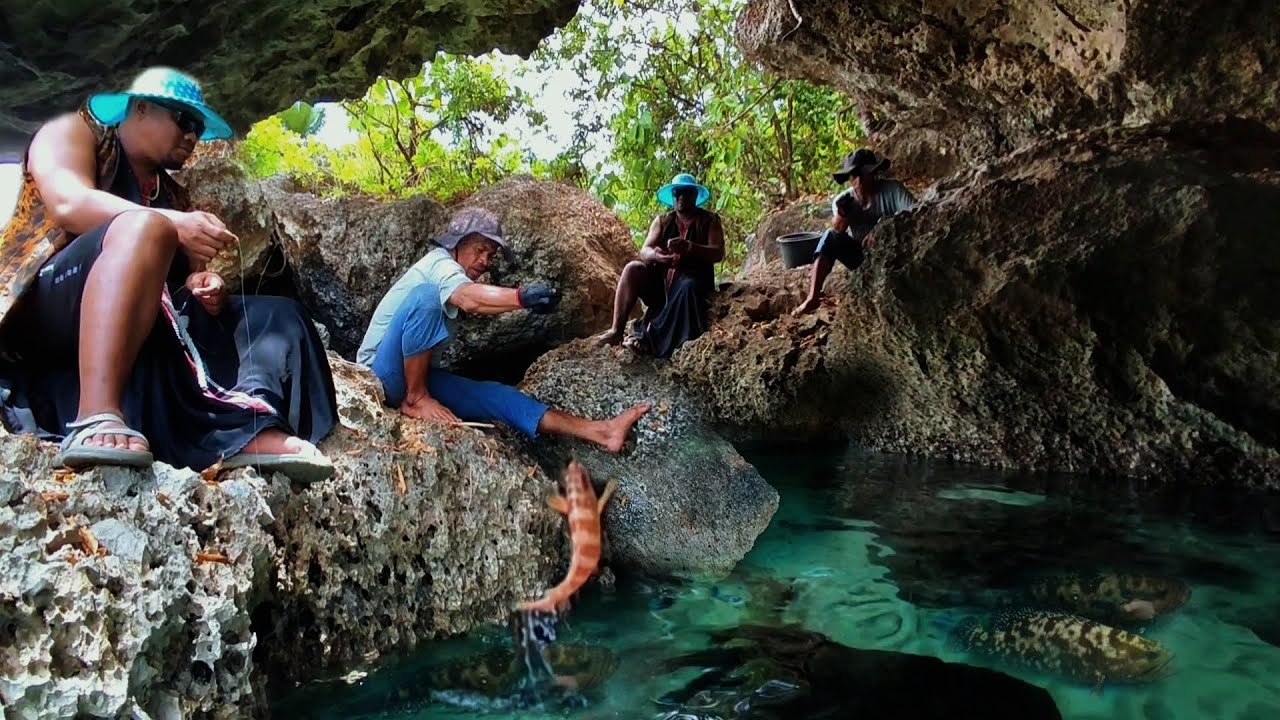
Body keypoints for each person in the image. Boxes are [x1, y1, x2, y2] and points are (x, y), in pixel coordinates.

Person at [0, 67, 338, 481]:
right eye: (183, 120)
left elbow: (183, 282)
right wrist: (169, 223)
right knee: (145, 228)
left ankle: (248, 426)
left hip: (143, 320)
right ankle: (95, 414)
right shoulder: (74, 131)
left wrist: (204, 285)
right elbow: (68, 203)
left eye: (197, 127)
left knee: (277, 315)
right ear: (140, 108)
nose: (192, 136)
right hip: (50, 302)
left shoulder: (171, 194)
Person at [357, 207, 650, 452]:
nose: (485, 261)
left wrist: (525, 304)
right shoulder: (439, 263)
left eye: (491, 255)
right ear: (455, 244)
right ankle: (416, 399)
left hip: (411, 377)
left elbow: (476, 302)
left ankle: (603, 432)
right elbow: (469, 298)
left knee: (497, 396)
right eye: (480, 249)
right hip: (378, 376)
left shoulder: (455, 277)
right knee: (424, 296)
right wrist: (522, 297)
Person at [593, 173, 724, 357]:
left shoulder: (710, 221)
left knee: (687, 287)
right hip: (662, 284)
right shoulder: (662, 221)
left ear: (695, 195)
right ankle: (616, 330)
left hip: (692, 281)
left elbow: (718, 253)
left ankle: (649, 339)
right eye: (677, 193)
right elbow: (645, 250)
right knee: (633, 269)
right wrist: (658, 255)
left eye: (686, 193)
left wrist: (690, 248)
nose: (681, 197)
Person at [793, 149, 916, 316]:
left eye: (863, 175)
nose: (859, 181)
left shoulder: (893, 190)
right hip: (862, 259)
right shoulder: (844, 201)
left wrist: (881, 232)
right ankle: (813, 296)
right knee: (829, 235)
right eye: (854, 176)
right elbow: (837, 233)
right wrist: (843, 214)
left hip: (894, 253)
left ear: (874, 174)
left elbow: (917, 213)